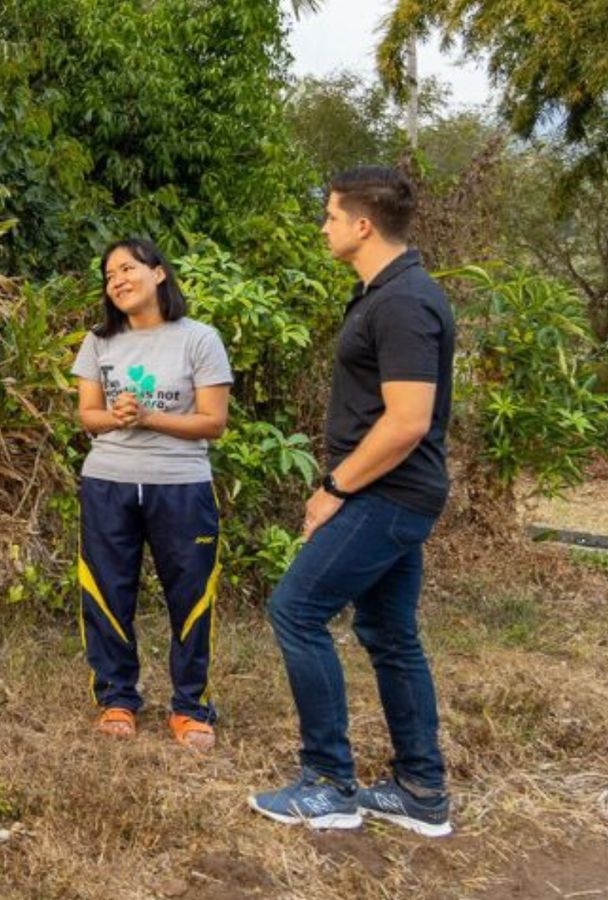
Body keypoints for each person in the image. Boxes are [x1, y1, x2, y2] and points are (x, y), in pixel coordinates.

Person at [249, 166, 456, 837]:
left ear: (363, 224)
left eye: (332, 216)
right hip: (394, 492)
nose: (324, 227)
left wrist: (334, 488)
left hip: (386, 493)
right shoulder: (386, 294)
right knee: (387, 633)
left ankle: (330, 784)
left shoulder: (402, 302)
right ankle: (421, 791)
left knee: (296, 609)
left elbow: (406, 421)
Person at [71, 237, 232, 750]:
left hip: (181, 486)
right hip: (108, 482)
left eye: (126, 268)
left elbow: (214, 423)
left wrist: (150, 418)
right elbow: (88, 417)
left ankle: (190, 706)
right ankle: (117, 698)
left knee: (189, 594)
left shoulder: (199, 339)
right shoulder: (99, 341)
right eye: (108, 274)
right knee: (107, 591)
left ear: (158, 273)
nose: (116, 280)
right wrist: (113, 418)